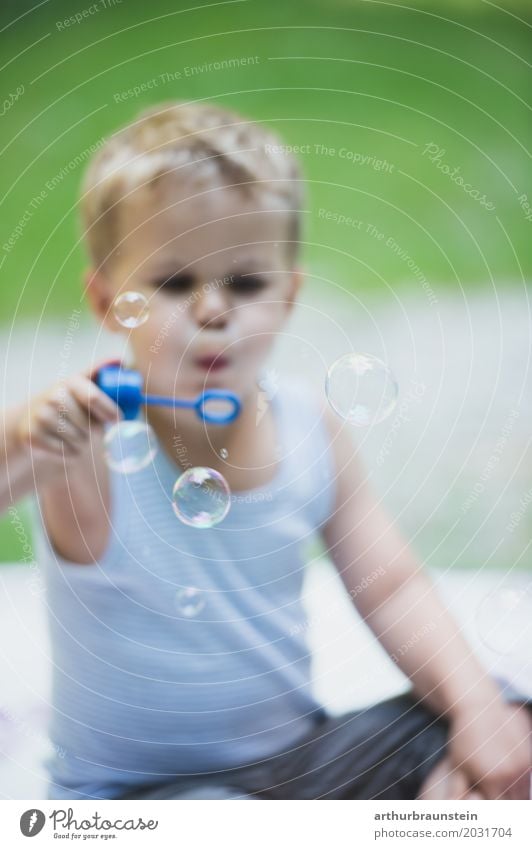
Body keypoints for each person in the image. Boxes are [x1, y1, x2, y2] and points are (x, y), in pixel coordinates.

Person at [1, 101, 530, 801]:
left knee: (505, 723)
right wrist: (26, 433)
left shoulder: (309, 424)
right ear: (106, 301)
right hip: (136, 801)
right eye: (174, 282)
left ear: (288, 296)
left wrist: (475, 709)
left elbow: (393, 586)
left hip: (296, 772)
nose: (214, 310)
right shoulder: (87, 438)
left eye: (245, 282)